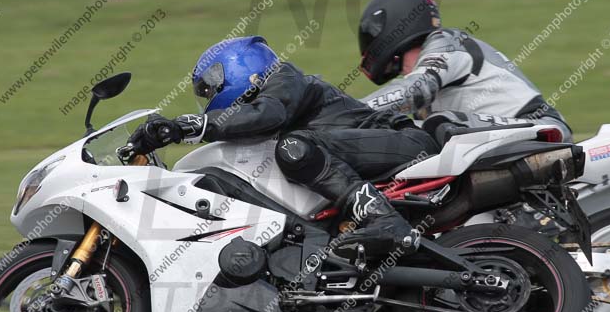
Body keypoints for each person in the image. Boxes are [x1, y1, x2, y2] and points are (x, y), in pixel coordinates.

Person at [127, 36, 439, 257]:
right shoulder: (268, 107)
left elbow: (267, 113)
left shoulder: (284, 77)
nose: (209, 100)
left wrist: (190, 126)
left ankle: (383, 220)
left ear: (240, 69)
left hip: (403, 142)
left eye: (211, 88)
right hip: (377, 152)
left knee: (294, 148)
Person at [358, 0, 573, 141]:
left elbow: (413, 90)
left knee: (440, 125)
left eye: (396, 62)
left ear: (407, 36)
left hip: (543, 128)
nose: (402, 73)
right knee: (409, 133)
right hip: (508, 139)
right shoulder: (428, 104)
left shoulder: (447, 43)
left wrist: (346, 111)